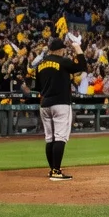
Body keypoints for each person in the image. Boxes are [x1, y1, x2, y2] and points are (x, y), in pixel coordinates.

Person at [34, 37, 86, 181]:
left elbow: (37, 87)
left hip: (45, 104)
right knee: (60, 137)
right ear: (60, 49)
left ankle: (52, 170)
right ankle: (57, 171)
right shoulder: (62, 61)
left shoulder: (40, 64)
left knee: (50, 138)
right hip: (61, 103)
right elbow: (82, 66)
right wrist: (77, 48)